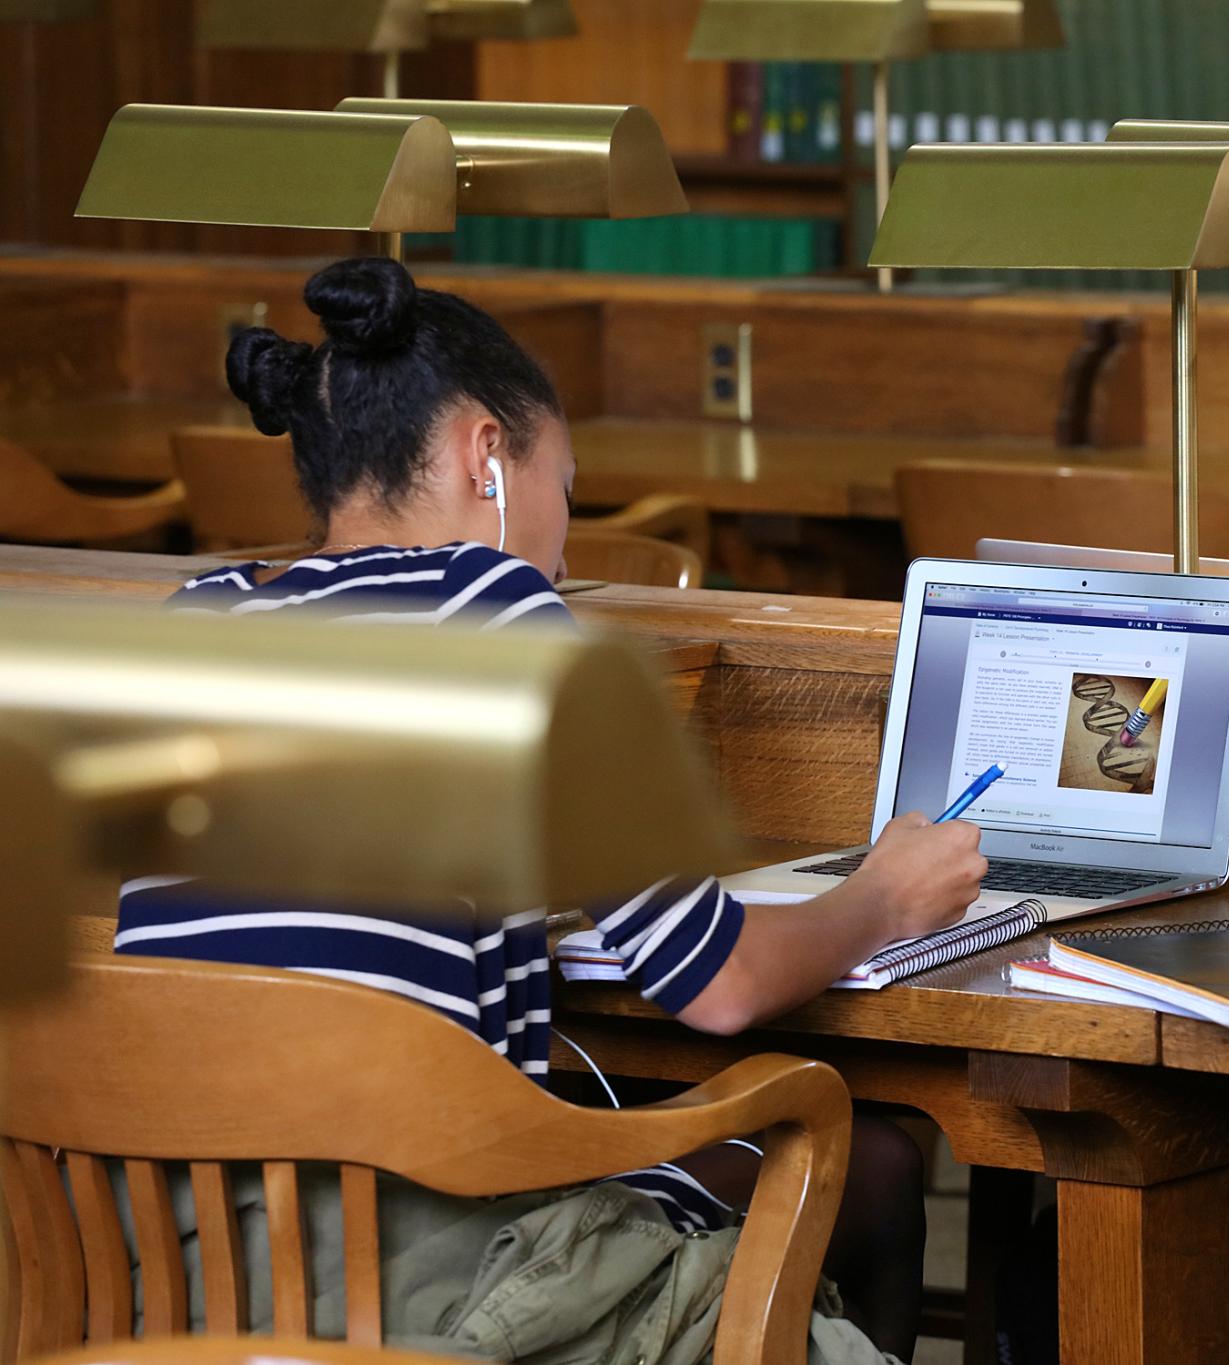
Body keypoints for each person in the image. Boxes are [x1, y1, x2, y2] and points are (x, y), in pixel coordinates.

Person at [117, 256, 986, 1362]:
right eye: (563, 490)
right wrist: (883, 897)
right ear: (489, 456)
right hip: (414, 1279)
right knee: (844, 1153)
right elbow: (716, 987)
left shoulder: (196, 618)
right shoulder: (497, 607)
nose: (564, 546)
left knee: (862, 1169)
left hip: (180, 1268)